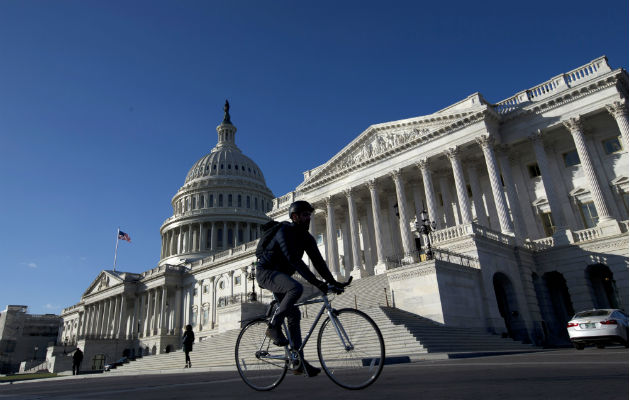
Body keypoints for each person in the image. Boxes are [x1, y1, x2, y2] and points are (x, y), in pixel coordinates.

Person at [256, 200, 349, 377]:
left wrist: (334, 282)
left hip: (281, 277)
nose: (308, 218)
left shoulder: (307, 238)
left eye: (309, 215)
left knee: (294, 314)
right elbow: (294, 260)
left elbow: (319, 263)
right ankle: (273, 326)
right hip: (266, 272)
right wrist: (316, 282)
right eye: (305, 215)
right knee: (295, 288)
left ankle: (297, 361)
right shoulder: (284, 231)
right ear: (295, 217)